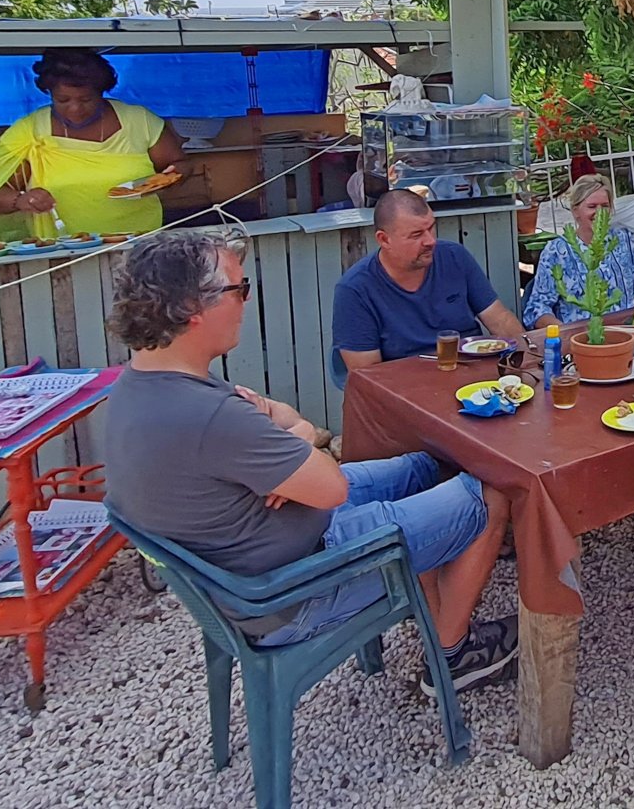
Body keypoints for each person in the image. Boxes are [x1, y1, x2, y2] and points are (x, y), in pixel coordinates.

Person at [102, 230, 519, 694]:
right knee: (491, 489)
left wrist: (294, 438)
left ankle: (434, 608)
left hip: (269, 550)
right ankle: (453, 654)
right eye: (239, 289)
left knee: (427, 466)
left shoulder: (141, 385)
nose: (246, 301)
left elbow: (292, 432)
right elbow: (328, 483)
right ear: (190, 310)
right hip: (298, 585)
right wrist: (299, 438)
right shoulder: (210, 414)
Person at [0, 48, 185, 242]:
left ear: (101, 92)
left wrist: (170, 178)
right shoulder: (30, 132)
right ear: (49, 93)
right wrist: (21, 200)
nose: (75, 108)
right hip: (62, 249)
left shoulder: (140, 121)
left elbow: (179, 165)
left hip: (141, 243)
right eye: (63, 100)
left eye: (86, 99)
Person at [331, 189, 527, 385]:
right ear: (384, 239)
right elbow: (369, 377)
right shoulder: (355, 290)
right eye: (416, 235)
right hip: (404, 390)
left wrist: (527, 362)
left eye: (431, 228)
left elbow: (499, 319)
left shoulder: (454, 257)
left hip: (474, 381)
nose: (430, 241)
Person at [522, 173, 634, 329]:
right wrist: (567, 333)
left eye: (605, 206)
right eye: (591, 206)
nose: (599, 212)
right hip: (579, 339)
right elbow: (537, 308)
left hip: (628, 334)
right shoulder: (556, 251)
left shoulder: (624, 240)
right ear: (575, 210)